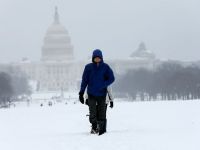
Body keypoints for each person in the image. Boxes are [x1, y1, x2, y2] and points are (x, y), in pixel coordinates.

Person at [79, 49, 115, 135]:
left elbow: (112, 78)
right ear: (93, 58)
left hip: (102, 95)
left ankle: (102, 130)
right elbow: (84, 81)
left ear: (101, 58)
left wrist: (103, 84)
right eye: (95, 58)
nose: (97, 59)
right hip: (91, 94)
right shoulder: (88, 67)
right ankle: (94, 126)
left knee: (102, 114)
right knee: (92, 113)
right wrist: (81, 93)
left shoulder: (105, 67)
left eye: (99, 58)